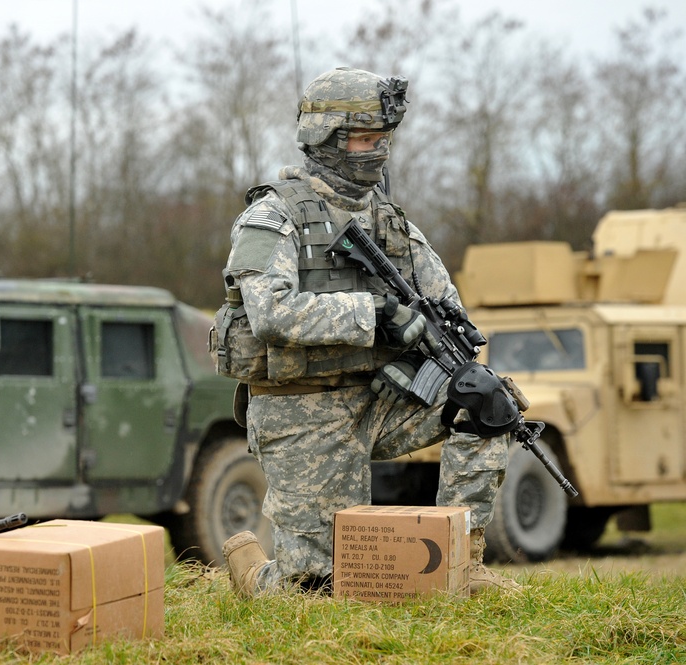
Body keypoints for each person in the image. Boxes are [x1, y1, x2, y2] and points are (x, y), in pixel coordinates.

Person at [211, 66, 519, 597]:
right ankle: (254, 573)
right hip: (300, 411)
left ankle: (459, 564)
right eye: (364, 137)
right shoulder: (272, 217)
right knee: (314, 591)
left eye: (384, 138)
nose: (378, 150)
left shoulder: (391, 221)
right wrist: (373, 315)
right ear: (325, 138)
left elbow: (445, 303)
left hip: (379, 398)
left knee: (487, 400)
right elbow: (270, 314)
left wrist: (430, 342)